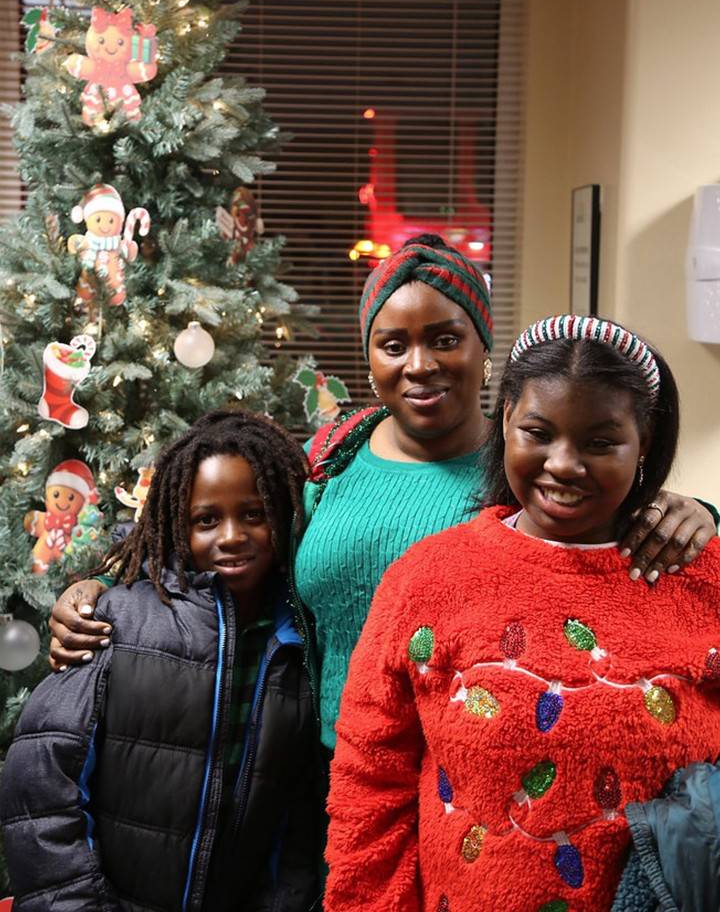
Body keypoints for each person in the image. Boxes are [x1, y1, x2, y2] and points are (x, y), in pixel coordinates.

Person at [46, 236, 717, 760]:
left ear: (486, 350)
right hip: (309, 759)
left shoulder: (529, 475)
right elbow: (221, 542)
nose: (419, 364)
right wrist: (99, 587)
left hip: (461, 767)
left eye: (445, 339)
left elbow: (605, 539)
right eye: (393, 344)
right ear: (368, 356)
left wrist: (695, 512)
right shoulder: (328, 461)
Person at [324, 315, 720, 912]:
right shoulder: (428, 577)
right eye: (539, 431)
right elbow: (370, 782)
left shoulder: (700, 574)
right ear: (505, 420)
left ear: (645, 444)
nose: (564, 464)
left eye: (600, 442)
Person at [0, 410, 322, 912]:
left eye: (254, 514)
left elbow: (299, 818)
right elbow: (41, 784)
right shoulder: (118, 617)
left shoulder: (300, 639)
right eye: (206, 519)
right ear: (176, 523)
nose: (232, 535)